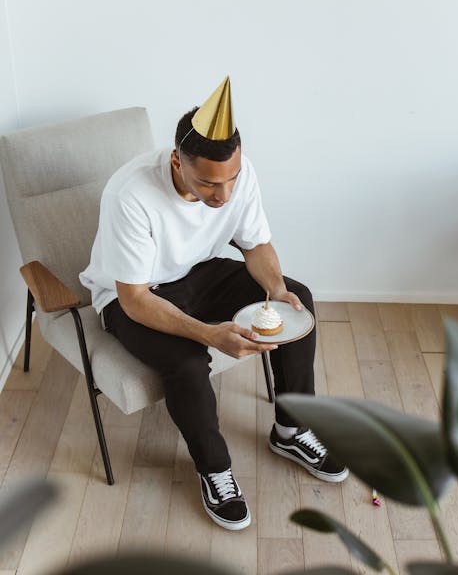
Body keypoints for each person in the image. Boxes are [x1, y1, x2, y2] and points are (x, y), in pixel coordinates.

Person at [80, 77, 348, 531]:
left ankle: (292, 429)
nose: (222, 195)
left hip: (197, 272)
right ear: (176, 162)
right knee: (186, 362)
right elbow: (135, 298)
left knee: (298, 300)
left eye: (230, 180)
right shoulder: (130, 196)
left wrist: (278, 292)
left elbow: (256, 245)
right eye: (207, 183)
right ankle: (213, 468)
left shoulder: (236, 175)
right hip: (133, 297)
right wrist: (208, 334)